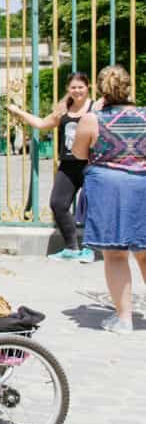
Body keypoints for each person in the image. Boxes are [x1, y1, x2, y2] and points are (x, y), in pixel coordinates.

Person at [71, 65, 146, 334]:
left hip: (108, 187)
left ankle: (124, 318)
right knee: (145, 253)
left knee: (115, 254)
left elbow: (79, 153)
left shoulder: (92, 119)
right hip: (142, 184)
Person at [6, 73, 94, 262]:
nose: (77, 90)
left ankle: (89, 248)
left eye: (80, 87)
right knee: (58, 203)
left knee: (91, 207)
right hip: (68, 165)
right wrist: (18, 111)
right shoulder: (63, 110)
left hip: (91, 165)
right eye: (73, 87)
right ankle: (71, 247)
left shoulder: (96, 108)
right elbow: (41, 124)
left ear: (88, 87)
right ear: (68, 90)